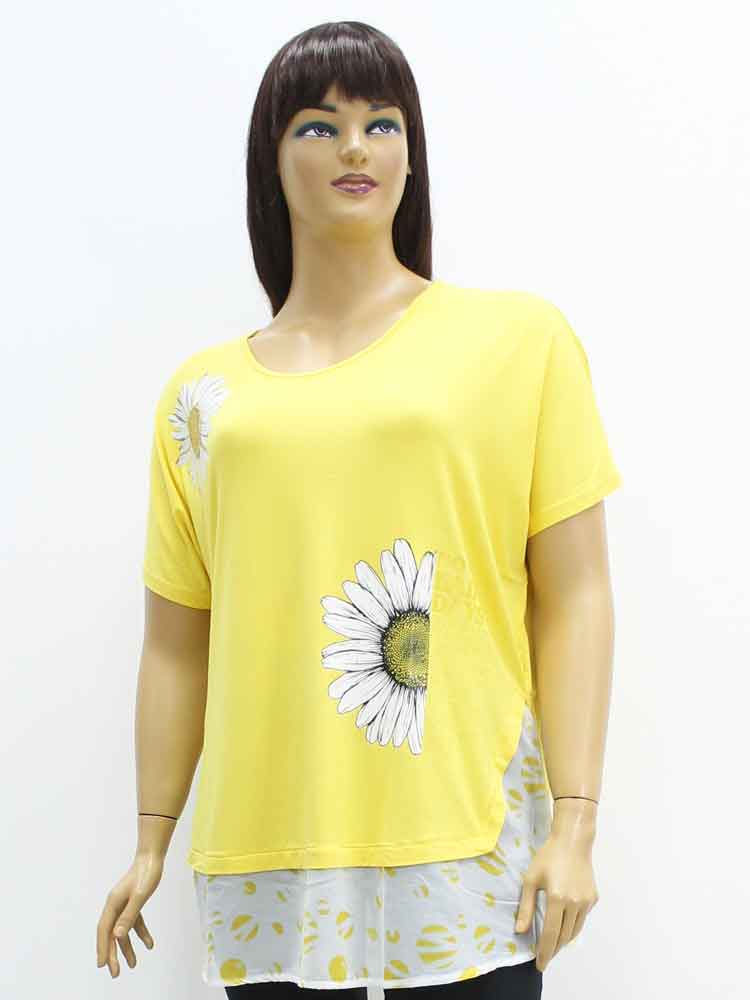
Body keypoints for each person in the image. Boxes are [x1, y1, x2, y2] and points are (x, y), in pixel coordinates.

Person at [96, 20, 623, 1000]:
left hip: (467, 839)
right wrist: (149, 840)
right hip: (266, 845)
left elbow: (576, 592)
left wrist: (576, 822)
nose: (354, 146)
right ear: (270, 161)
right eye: (317, 125)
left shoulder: (517, 342)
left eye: (382, 123)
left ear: (411, 157)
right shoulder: (201, 401)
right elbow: (176, 642)